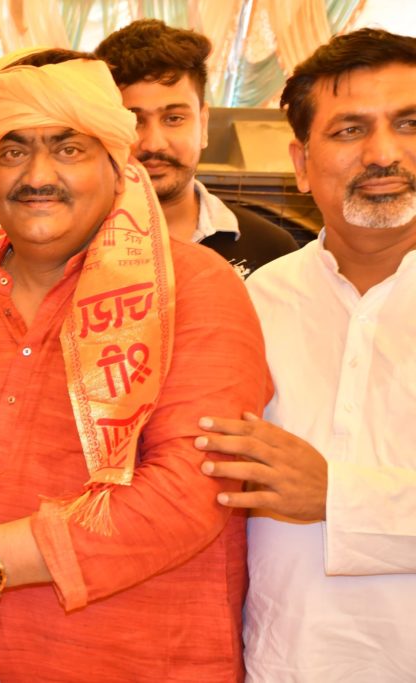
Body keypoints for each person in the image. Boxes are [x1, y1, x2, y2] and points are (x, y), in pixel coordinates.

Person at [0, 52, 272, 681]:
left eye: (69, 149)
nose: (38, 175)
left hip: (152, 662)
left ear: (116, 165)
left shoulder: (193, 288)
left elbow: (191, 488)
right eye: (13, 151)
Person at [198, 28, 416, 681]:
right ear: (300, 163)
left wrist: (336, 495)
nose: (384, 153)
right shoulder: (253, 302)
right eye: (350, 130)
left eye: (409, 124)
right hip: (283, 661)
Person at [96, 19, 298, 278]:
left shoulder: (271, 250)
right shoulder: (73, 248)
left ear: (203, 125)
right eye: (134, 121)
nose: (154, 143)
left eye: (174, 118)